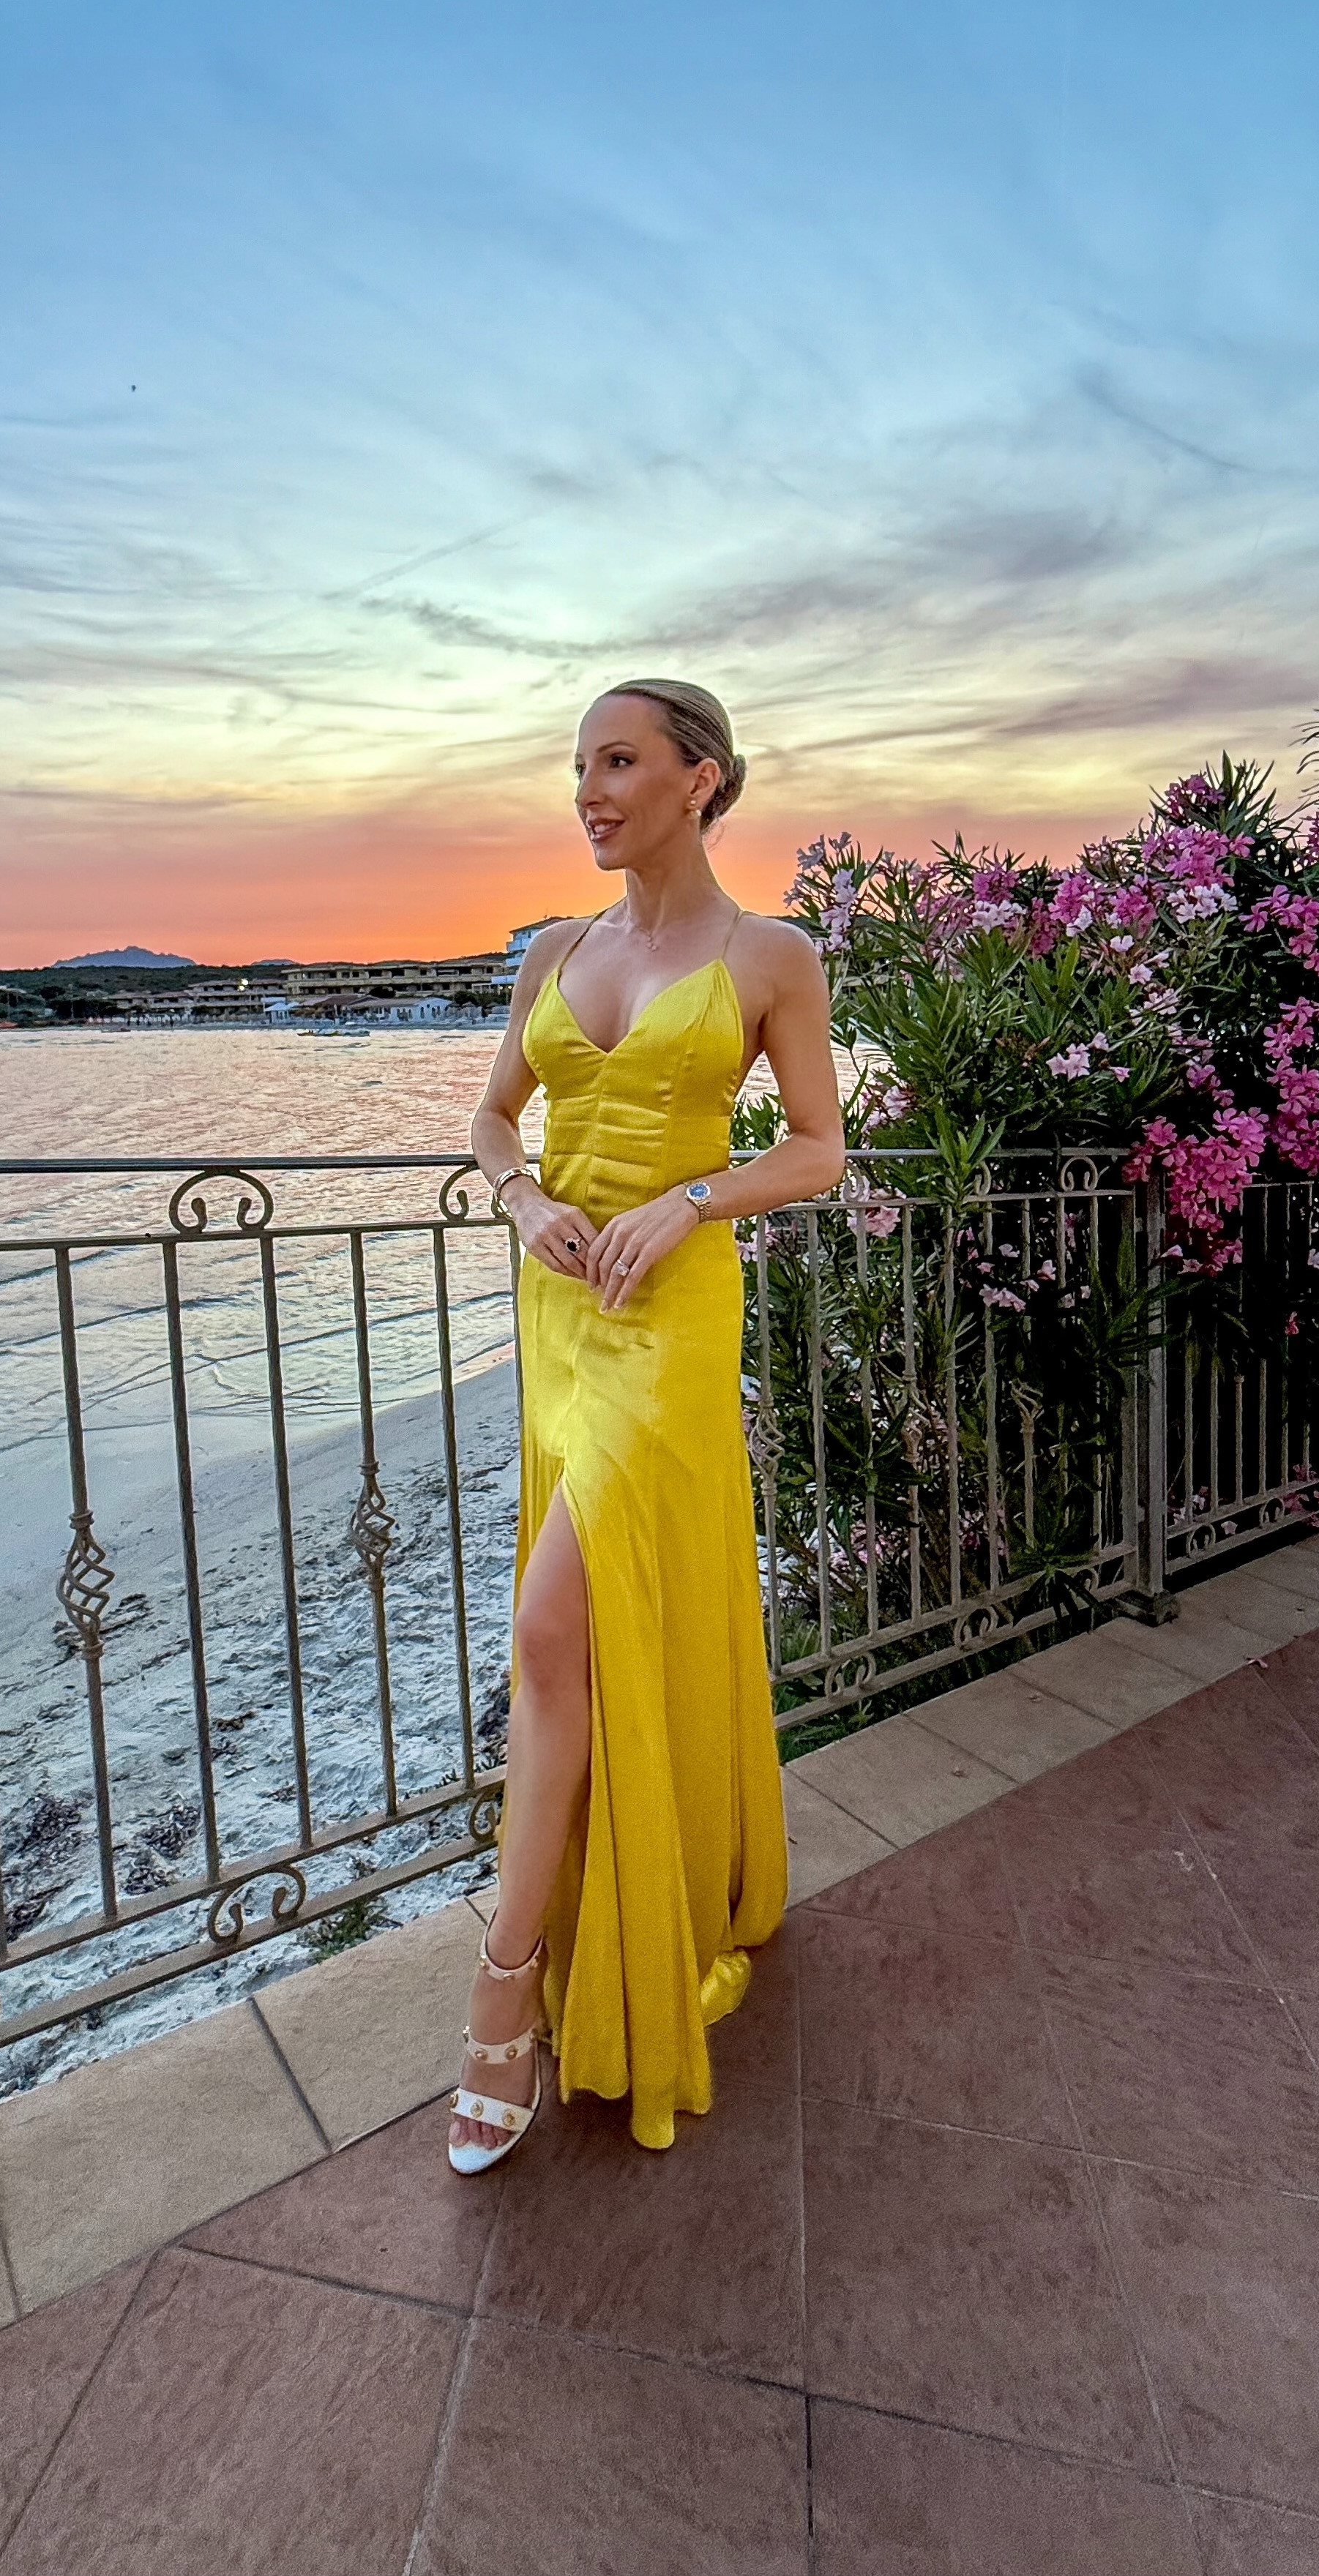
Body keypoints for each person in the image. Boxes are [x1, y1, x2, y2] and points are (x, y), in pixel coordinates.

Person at [452, 679, 846, 2166]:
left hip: (669, 1323)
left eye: (615, 762)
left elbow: (816, 1150)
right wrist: (527, 1195)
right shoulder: (555, 951)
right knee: (582, 1638)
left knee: (554, 1633)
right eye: (576, 767)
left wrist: (688, 1199)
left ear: (701, 778)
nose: (587, 790)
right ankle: (581, 1943)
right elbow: (494, 1119)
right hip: (558, 1315)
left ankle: (502, 1993)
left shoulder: (769, 956)